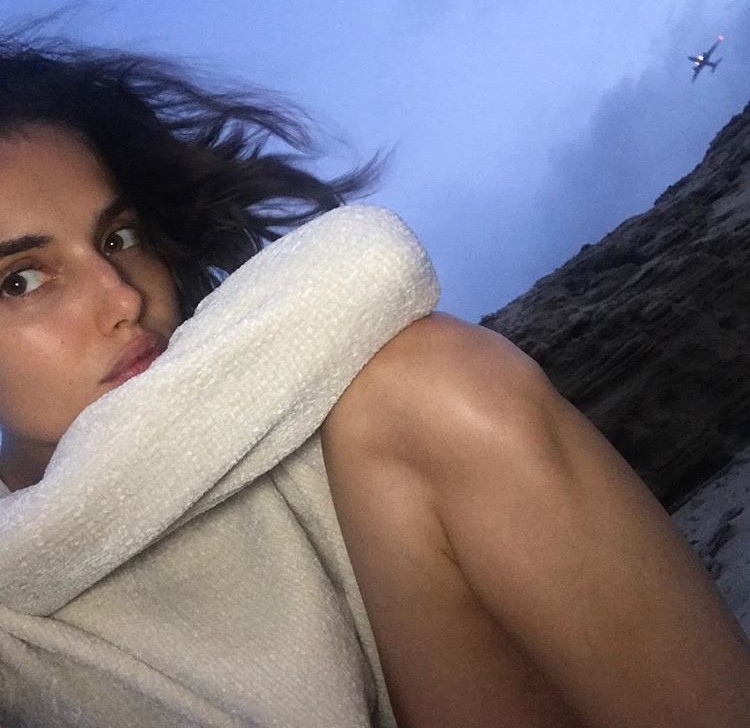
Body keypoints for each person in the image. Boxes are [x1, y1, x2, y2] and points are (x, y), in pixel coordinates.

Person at [0, 34, 748, 728]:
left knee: (426, 380)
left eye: (119, 237)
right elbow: (368, 260)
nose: (122, 299)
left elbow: (371, 260)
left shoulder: (295, 413)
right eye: (21, 281)